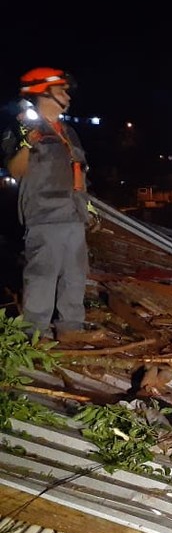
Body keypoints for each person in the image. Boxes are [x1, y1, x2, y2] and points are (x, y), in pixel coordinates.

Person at [0, 68, 93, 340]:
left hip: (74, 214)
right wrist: (28, 144)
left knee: (75, 276)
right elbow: (16, 171)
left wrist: (88, 210)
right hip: (44, 215)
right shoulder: (22, 127)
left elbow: (79, 175)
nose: (67, 95)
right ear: (44, 92)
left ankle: (70, 329)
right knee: (42, 276)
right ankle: (35, 334)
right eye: (62, 90)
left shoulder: (69, 132)